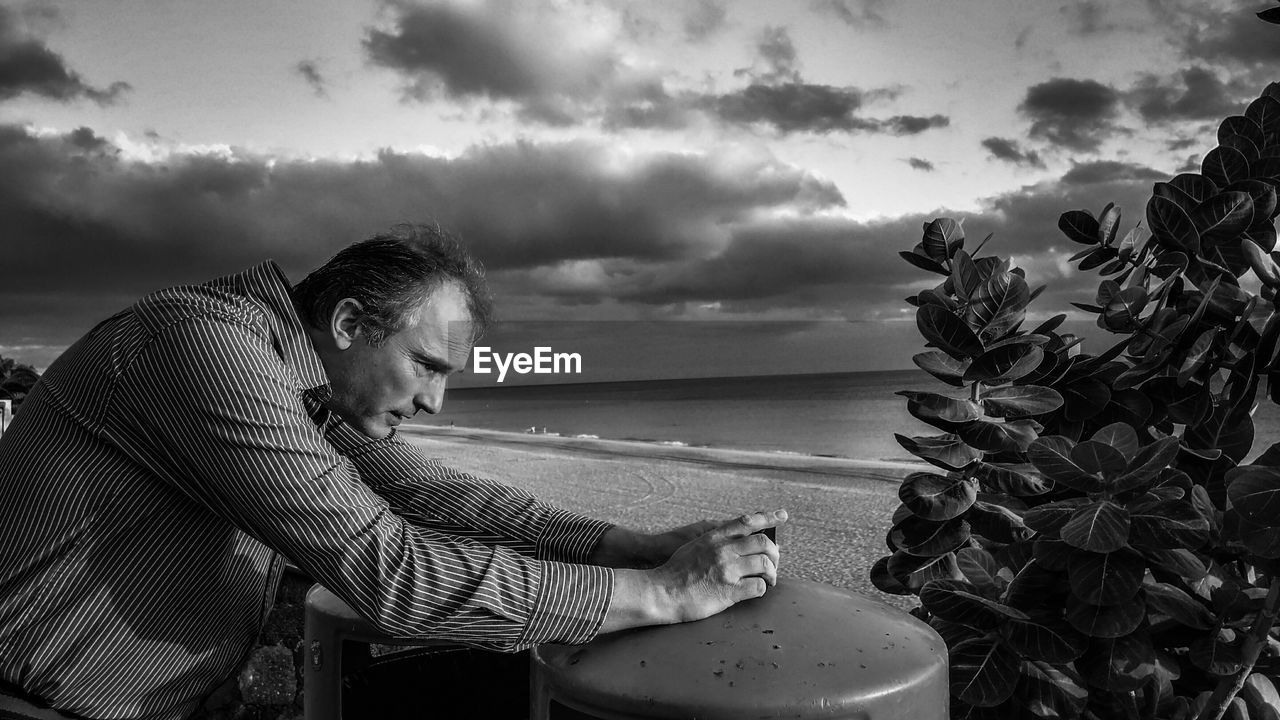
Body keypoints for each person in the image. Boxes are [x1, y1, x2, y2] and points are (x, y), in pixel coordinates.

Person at [0, 224, 786, 720]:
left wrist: (627, 543)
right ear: (347, 323)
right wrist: (669, 593)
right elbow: (393, 573)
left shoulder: (296, 384)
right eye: (426, 366)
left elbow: (429, 493)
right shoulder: (203, 348)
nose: (437, 403)